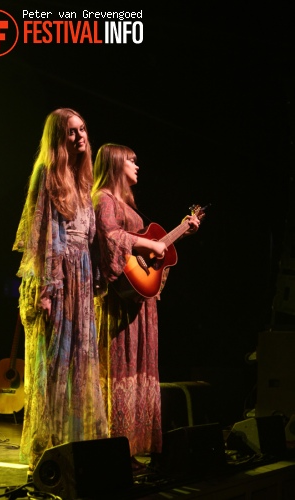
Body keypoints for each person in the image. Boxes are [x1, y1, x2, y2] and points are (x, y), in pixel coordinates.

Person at [91, 143, 200, 466]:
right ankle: (111, 447)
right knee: (117, 366)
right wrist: (147, 242)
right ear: (114, 163)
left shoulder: (129, 206)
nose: (137, 166)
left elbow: (149, 256)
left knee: (137, 368)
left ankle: (130, 447)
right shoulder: (104, 199)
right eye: (131, 161)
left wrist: (180, 232)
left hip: (137, 305)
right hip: (117, 304)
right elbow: (110, 237)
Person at [12, 108, 108, 476]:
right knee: (54, 365)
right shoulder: (47, 174)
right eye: (72, 131)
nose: (80, 136)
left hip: (80, 276)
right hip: (58, 275)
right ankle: (47, 450)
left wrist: (96, 275)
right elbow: (42, 236)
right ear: (58, 138)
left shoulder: (83, 180)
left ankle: (77, 445)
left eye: (83, 129)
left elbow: (91, 234)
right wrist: (49, 288)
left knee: (81, 363)